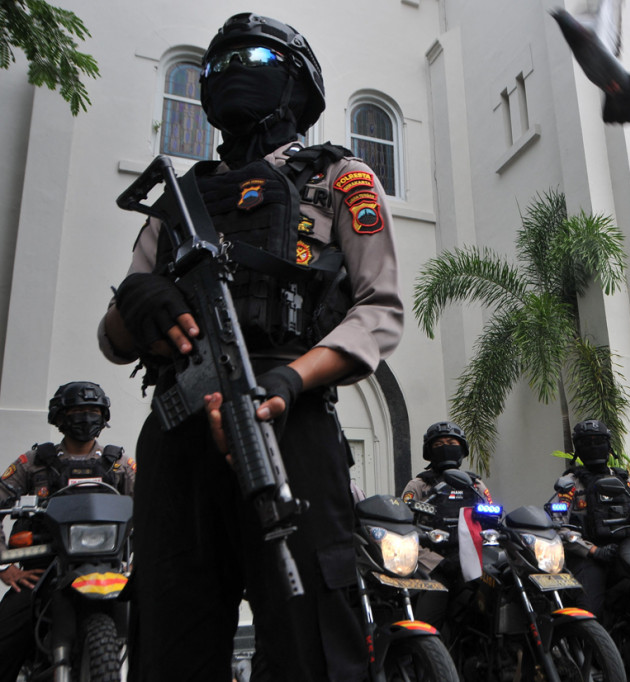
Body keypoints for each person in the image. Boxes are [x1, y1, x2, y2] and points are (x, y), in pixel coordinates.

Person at [98, 13, 403, 682]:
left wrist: (292, 381)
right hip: (179, 429)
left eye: (258, 57)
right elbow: (114, 341)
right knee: (170, 640)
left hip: (285, 423)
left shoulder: (341, 178)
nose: (237, 70)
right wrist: (137, 300)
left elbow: (379, 310)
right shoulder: (176, 198)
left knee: (312, 642)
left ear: (296, 84)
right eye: (222, 61)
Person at [0, 382, 135, 682]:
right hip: (44, 571)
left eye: (92, 412)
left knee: (163, 628)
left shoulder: (119, 464)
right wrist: (6, 567)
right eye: (76, 411)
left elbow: (153, 507)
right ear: (59, 417)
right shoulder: (33, 462)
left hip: (110, 568)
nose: (85, 418)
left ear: (103, 417)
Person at [401, 422, 492, 626]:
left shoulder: (475, 485)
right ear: (429, 451)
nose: (445, 446)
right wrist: (437, 562)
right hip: (433, 564)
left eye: (451, 442)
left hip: (472, 563)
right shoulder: (418, 486)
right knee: (428, 620)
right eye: (438, 444)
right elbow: (404, 530)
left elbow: (492, 520)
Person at [552, 419, 630, 617]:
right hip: (590, 555)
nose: (593, 447)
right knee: (589, 609)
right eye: (586, 442)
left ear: (608, 445)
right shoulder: (569, 484)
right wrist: (592, 551)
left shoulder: (626, 482)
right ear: (578, 448)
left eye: (598, 441)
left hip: (626, 550)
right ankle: (592, 645)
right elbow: (559, 526)